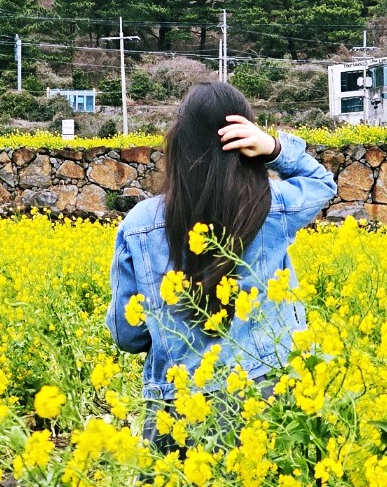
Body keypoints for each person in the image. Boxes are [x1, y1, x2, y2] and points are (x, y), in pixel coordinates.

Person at [105, 82, 337, 447]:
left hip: (177, 409)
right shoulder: (271, 206)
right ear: (246, 144)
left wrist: (171, 335)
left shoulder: (139, 224)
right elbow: (322, 183)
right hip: (268, 396)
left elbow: (127, 334)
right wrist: (274, 149)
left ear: (178, 144)